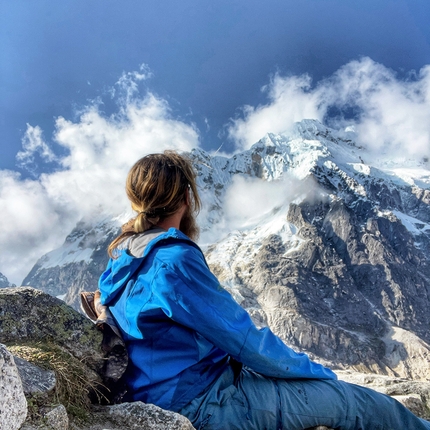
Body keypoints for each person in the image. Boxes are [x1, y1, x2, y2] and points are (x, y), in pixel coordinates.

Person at [99, 150, 430, 429]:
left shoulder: (122, 257)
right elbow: (244, 340)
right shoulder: (172, 260)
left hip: (159, 392)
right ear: (187, 197)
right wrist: (318, 375)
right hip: (199, 402)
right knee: (354, 402)